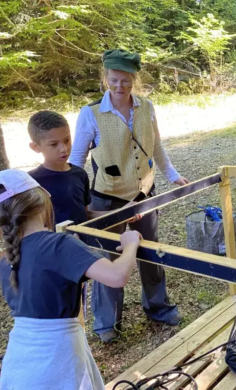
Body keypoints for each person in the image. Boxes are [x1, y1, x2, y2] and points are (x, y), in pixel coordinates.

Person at [70, 49, 187, 343]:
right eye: (114, 81)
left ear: (134, 79)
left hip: (144, 193)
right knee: (107, 259)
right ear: (105, 79)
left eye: (125, 81)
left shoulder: (146, 108)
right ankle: (107, 323)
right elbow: (76, 161)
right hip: (107, 199)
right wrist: (76, 199)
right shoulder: (91, 113)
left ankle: (158, 307)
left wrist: (172, 175)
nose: (119, 86)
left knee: (150, 253)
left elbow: (156, 146)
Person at [0, 169, 141, 390]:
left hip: (19, 364)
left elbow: (44, 291)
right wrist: (131, 243)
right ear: (40, 201)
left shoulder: (5, 259)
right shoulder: (60, 244)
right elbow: (117, 276)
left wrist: (75, 258)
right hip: (58, 361)